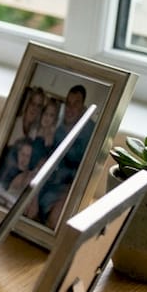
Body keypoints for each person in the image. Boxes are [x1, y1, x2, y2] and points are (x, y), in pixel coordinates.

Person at [31, 85, 94, 226]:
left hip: (70, 187)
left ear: (83, 108)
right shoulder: (56, 128)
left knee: (56, 216)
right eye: (68, 104)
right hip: (51, 182)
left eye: (76, 104)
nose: (70, 109)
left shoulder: (91, 131)